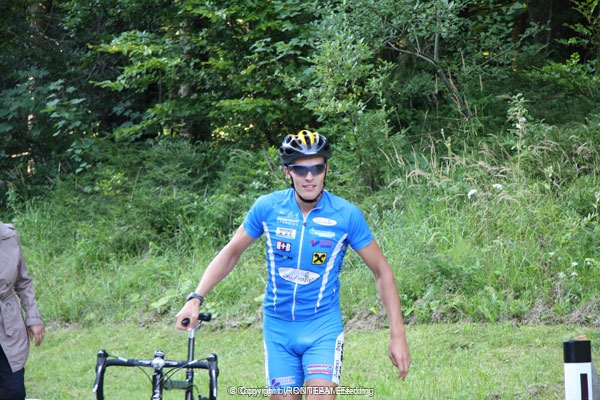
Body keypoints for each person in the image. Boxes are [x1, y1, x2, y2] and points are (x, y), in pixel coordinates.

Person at [176, 130, 410, 399]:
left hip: (322, 325)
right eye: (300, 169)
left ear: (326, 169)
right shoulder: (268, 208)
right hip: (278, 327)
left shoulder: (346, 215)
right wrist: (196, 298)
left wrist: (398, 334)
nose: (309, 177)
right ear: (288, 171)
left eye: (317, 168)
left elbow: (381, 271)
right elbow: (231, 253)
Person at [0, 222, 45, 400]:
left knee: (14, 390)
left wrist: (33, 317)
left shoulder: (9, 236)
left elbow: (23, 281)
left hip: (7, 326)